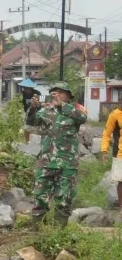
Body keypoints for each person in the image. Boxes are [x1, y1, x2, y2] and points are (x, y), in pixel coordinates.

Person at [30, 82, 87, 220]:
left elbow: (83, 118)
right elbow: (31, 122)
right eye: (55, 92)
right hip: (46, 163)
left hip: (67, 164)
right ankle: (37, 234)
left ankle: (59, 234)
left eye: (61, 92)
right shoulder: (45, 111)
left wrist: (63, 105)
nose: (57, 95)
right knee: (40, 198)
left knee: (64, 200)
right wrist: (32, 108)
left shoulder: (74, 111)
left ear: (68, 96)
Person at [101, 100, 122, 212]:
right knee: (121, 180)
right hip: (119, 153)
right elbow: (106, 134)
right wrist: (104, 151)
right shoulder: (114, 115)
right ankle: (121, 207)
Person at [19, 78, 40, 143]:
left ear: (30, 88)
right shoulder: (22, 94)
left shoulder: (37, 93)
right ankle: (27, 142)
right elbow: (20, 102)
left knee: (36, 127)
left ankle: (36, 141)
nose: (25, 90)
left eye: (27, 88)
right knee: (26, 127)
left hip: (37, 112)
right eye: (24, 88)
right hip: (27, 113)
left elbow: (41, 103)